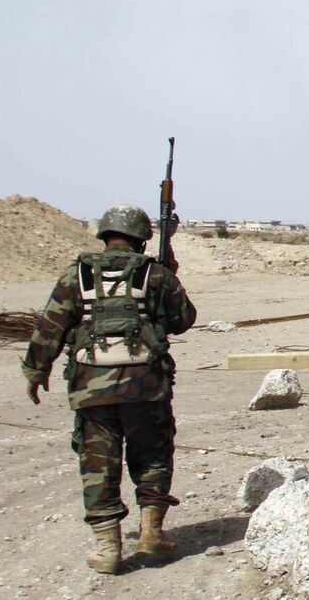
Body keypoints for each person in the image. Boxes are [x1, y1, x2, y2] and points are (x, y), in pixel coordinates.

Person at [21, 203, 195, 574]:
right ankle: (151, 533)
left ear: (105, 235)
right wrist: (166, 277)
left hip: (91, 390)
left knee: (98, 464)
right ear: (142, 238)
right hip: (145, 388)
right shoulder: (155, 275)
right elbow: (183, 320)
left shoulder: (76, 275)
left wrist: (36, 371)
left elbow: (50, 326)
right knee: (152, 456)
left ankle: (107, 549)